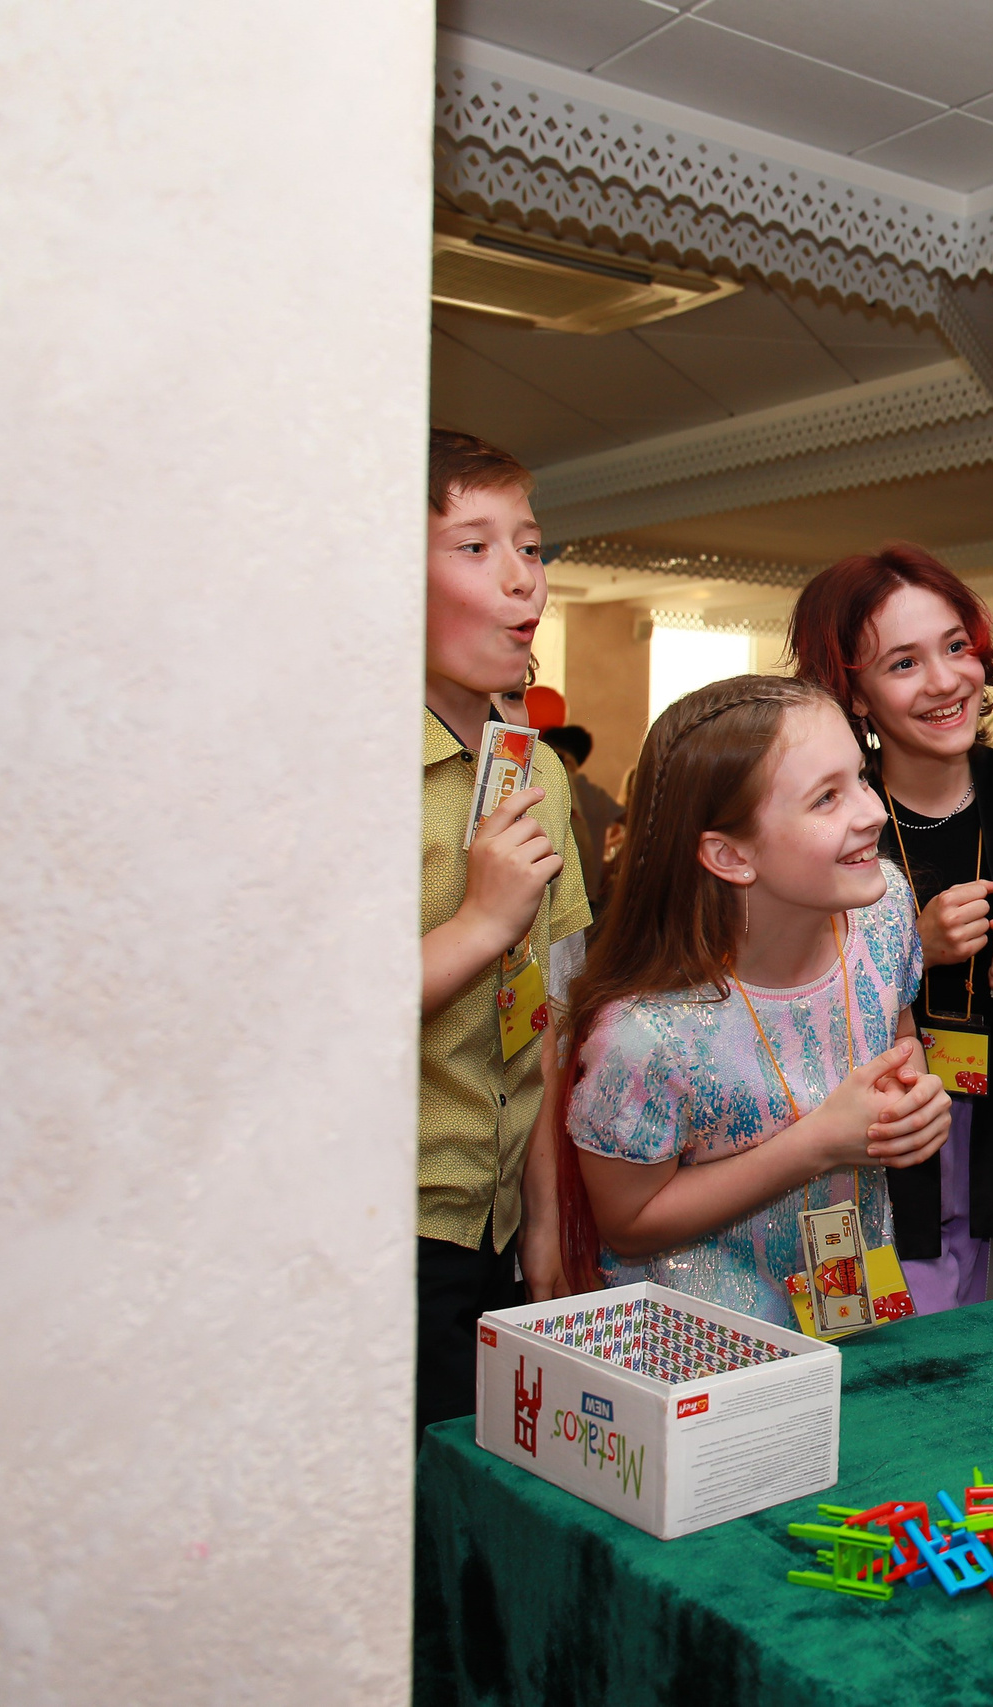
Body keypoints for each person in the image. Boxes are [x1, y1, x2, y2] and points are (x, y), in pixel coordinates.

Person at [559, 674, 952, 1331]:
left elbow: (896, 1037)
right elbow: (627, 1224)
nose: (873, 811)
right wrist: (819, 1143)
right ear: (729, 853)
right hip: (709, 1354)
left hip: (855, 1309)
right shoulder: (648, 1031)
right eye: (826, 798)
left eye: (860, 776)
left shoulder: (883, 910)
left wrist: (906, 1101)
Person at [790, 544, 993, 1312]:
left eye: (956, 646)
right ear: (853, 695)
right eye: (902, 663)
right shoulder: (829, 820)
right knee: (883, 1368)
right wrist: (909, 948)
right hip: (867, 1148)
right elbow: (778, 992)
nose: (944, 680)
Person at [415, 430, 592, 1432]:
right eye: (475, 548)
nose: (523, 580)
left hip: (500, 1224)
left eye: (529, 547)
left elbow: (545, 1016)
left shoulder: (539, 769)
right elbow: (306, 1031)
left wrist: (544, 1222)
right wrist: (482, 920)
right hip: (385, 1227)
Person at [544, 723, 624, 916]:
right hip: (587, 892)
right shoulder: (594, 793)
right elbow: (634, 821)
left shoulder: (548, 783)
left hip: (556, 893)